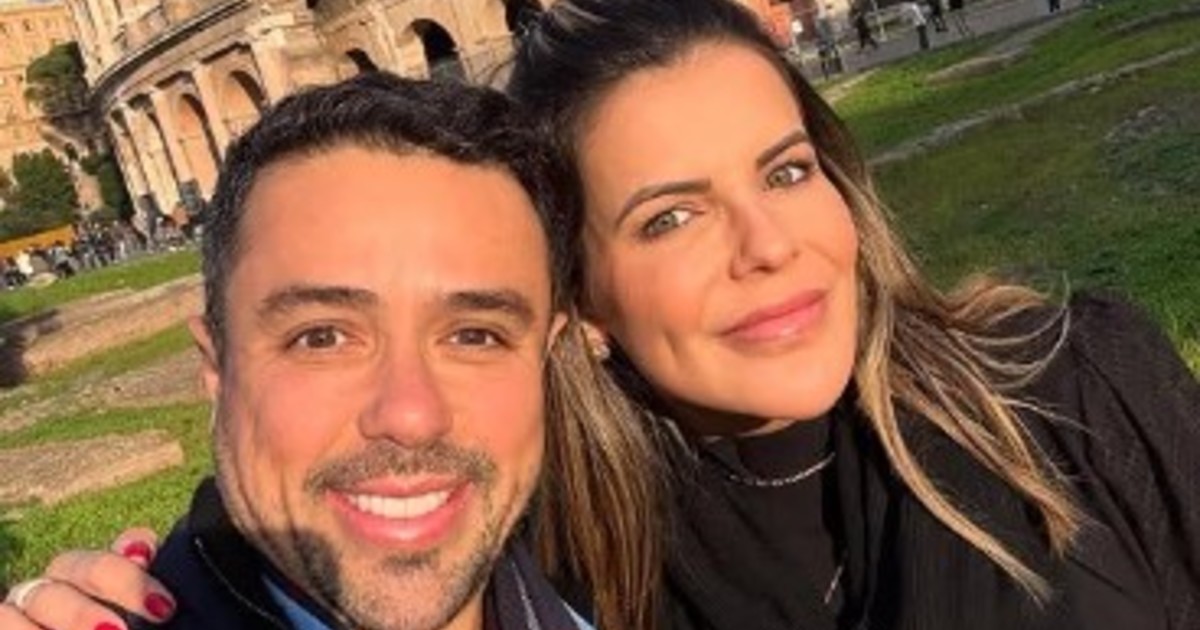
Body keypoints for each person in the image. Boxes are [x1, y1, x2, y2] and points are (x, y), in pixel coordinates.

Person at [8, 0, 1200, 629]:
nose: (770, 246)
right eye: (671, 216)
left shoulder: (1073, 383)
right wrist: (135, 594)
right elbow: (315, 471)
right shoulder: (546, 542)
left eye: (787, 172)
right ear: (577, 307)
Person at [0, 72, 662, 630]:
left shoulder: (594, 580)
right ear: (216, 369)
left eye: (475, 335)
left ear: (545, 357)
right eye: (322, 337)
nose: (411, 415)